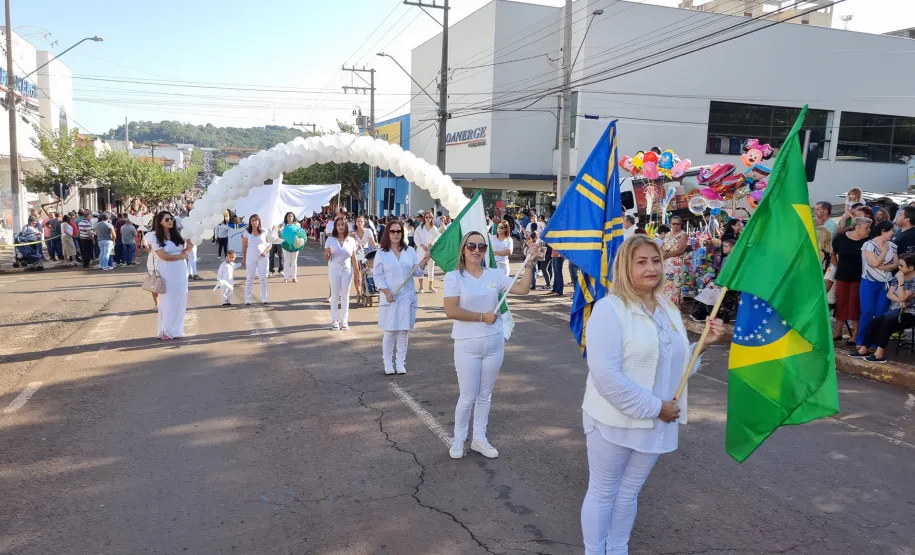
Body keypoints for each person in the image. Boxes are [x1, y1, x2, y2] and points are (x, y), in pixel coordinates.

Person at [580, 235, 724, 554]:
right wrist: (655, 407)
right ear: (624, 267)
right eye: (641, 261)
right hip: (613, 420)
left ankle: (618, 548)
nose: (651, 268)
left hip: (655, 421)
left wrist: (703, 343)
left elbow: (673, 363)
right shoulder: (609, 309)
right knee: (604, 491)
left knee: (629, 493)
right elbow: (606, 376)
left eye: (656, 260)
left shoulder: (667, 309)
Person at [444, 231, 534, 459]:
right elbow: (450, 310)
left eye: (481, 246)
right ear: (463, 249)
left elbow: (522, 289)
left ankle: (479, 439)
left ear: (486, 250)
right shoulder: (454, 277)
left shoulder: (495, 274)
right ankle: (458, 439)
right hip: (466, 344)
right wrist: (481, 317)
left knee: (486, 395)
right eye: (471, 246)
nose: (476, 250)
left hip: (494, 343)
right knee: (467, 396)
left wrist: (530, 264)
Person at [374, 220, 430, 374]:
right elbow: (378, 275)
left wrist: (424, 262)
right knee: (390, 331)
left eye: (398, 231)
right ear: (387, 233)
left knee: (403, 331)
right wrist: (386, 292)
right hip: (390, 297)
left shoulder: (410, 251)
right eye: (392, 231)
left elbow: (416, 273)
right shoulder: (382, 253)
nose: (396, 234)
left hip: (407, 297)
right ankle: (388, 363)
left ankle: (400, 363)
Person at [851, 254, 915, 363]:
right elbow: (889, 294)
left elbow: (903, 296)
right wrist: (900, 301)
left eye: (901, 265)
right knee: (876, 320)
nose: (898, 268)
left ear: (911, 267)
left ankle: (879, 354)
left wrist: (901, 283)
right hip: (895, 311)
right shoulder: (899, 275)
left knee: (886, 322)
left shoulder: (908, 279)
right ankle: (864, 349)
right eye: (898, 265)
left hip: (910, 313)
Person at [854, 220, 898, 352]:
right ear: (883, 231)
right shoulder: (868, 245)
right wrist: (884, 252)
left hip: (886, 283)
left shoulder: (893, 246)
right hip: (869, 282)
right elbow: (873, 262)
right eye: (891, 231)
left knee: (881, 313)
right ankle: (861, 341)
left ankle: (874, 342)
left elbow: (895, 264)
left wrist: (882, 266)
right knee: (867, 312)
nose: (892, 233)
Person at [149, 211, 193, 340]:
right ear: (160, 221)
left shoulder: (178, 235)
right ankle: (166, 330)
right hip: (166, 270)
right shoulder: (156, 237)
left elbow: (187, 248)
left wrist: (190, 243)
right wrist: (181, 256)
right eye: (167, 219)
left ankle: (177, 330)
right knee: (167, 300)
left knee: (180, 299)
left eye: (172, 219)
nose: (170, 221)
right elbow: (163, 256)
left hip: (180, 270)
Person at [831, 217, 871, 343]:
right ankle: (837, 331)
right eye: (866, 228)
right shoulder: (840, 238)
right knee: (841, 303)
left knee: (855, 304)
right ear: (857, 227)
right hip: (842, 275)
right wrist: (838, 267)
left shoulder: (867, 241)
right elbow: (833, 254)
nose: (869, 230)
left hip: (859, 277)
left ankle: (855, 334)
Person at [325, 216, 360, 330]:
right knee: (335, 295)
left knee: (345, 296)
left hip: (346, 270)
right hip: (334, 270)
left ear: (346, 227)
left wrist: (357, 274)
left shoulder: (351, 240)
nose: (340, 227)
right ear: (336, 227)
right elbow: (326, 258)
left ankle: (344, 320)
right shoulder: (330, 240)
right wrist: (328, 253)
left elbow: (354, 259)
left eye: (342, 225)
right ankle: (335, 320)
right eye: (338, 225)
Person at [242, 214, 270, 305]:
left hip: (262, 258)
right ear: (250, 222)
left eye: (256, 220)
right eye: (253, 220)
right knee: (250, 278)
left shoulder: (264, 231)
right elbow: (244, 246)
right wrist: (244, 258)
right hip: (251, 257)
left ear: (259, 221)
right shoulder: (247, 232)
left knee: (263, 278)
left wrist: (265, 251)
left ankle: (264, 297)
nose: (255, 222)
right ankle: (248, 298)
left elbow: (270, 244)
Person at [661, 216, 688, 305]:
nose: (675, 226)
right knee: (666, 285)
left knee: (675, 286)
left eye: (678, 224)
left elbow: (680, 250)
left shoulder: (683, 234)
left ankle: (675, 307)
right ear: (670, 224)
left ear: (681, 225)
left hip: (676, 264)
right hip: (666, 264)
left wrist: (667, 255)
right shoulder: (668, 234)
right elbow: (663, 246)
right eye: (673, 224)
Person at [413, 211, 441, 294]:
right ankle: (421, 286)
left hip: (431, 251)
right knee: (420, 268)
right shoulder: (419, 228)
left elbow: (437, 236)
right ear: (424, 218)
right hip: (421, 251)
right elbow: (416, 238)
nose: (428, 219)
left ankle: (430, 286)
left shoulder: (434, 228)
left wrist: (432, 243)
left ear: (432, 218)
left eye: (430, 217)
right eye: (427, 217)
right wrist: (422, 245)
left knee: (430, 269)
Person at [281, 212, 301, 283]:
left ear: (293, 217)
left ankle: (294, 277)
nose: (290, 217)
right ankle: (285, 277)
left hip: (295, 245)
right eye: (288, 216)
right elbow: (280, 233)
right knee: (287, 261)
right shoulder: (283, 225)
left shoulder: (297, 225)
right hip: (286, 245)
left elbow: (301, 234)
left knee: (294, 261)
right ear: (286, 217)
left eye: (291, 216)